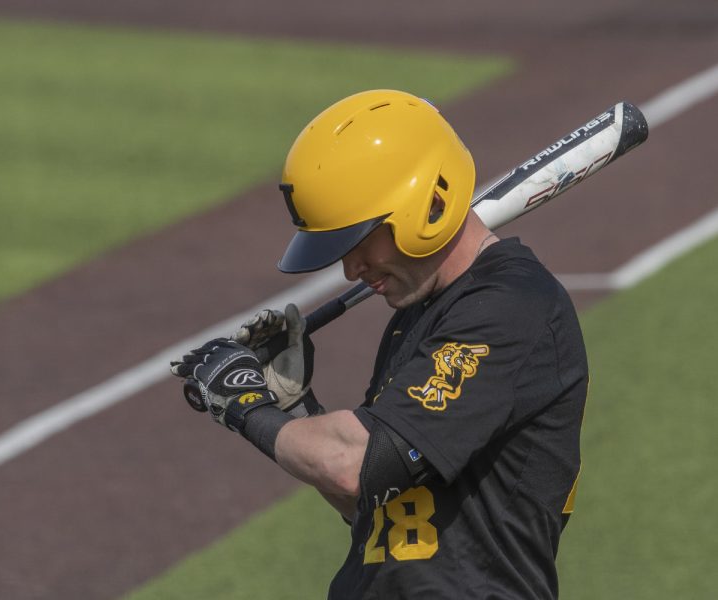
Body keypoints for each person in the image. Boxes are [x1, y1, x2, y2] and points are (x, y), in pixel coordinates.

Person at [170, 89, 587, 599]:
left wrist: (245, 406)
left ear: (428, 205)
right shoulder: (423, 312)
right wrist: (296, 409)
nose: (351, 269)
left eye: (361, 240)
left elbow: (355, 466)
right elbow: (381, 508)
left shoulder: (509, 310)